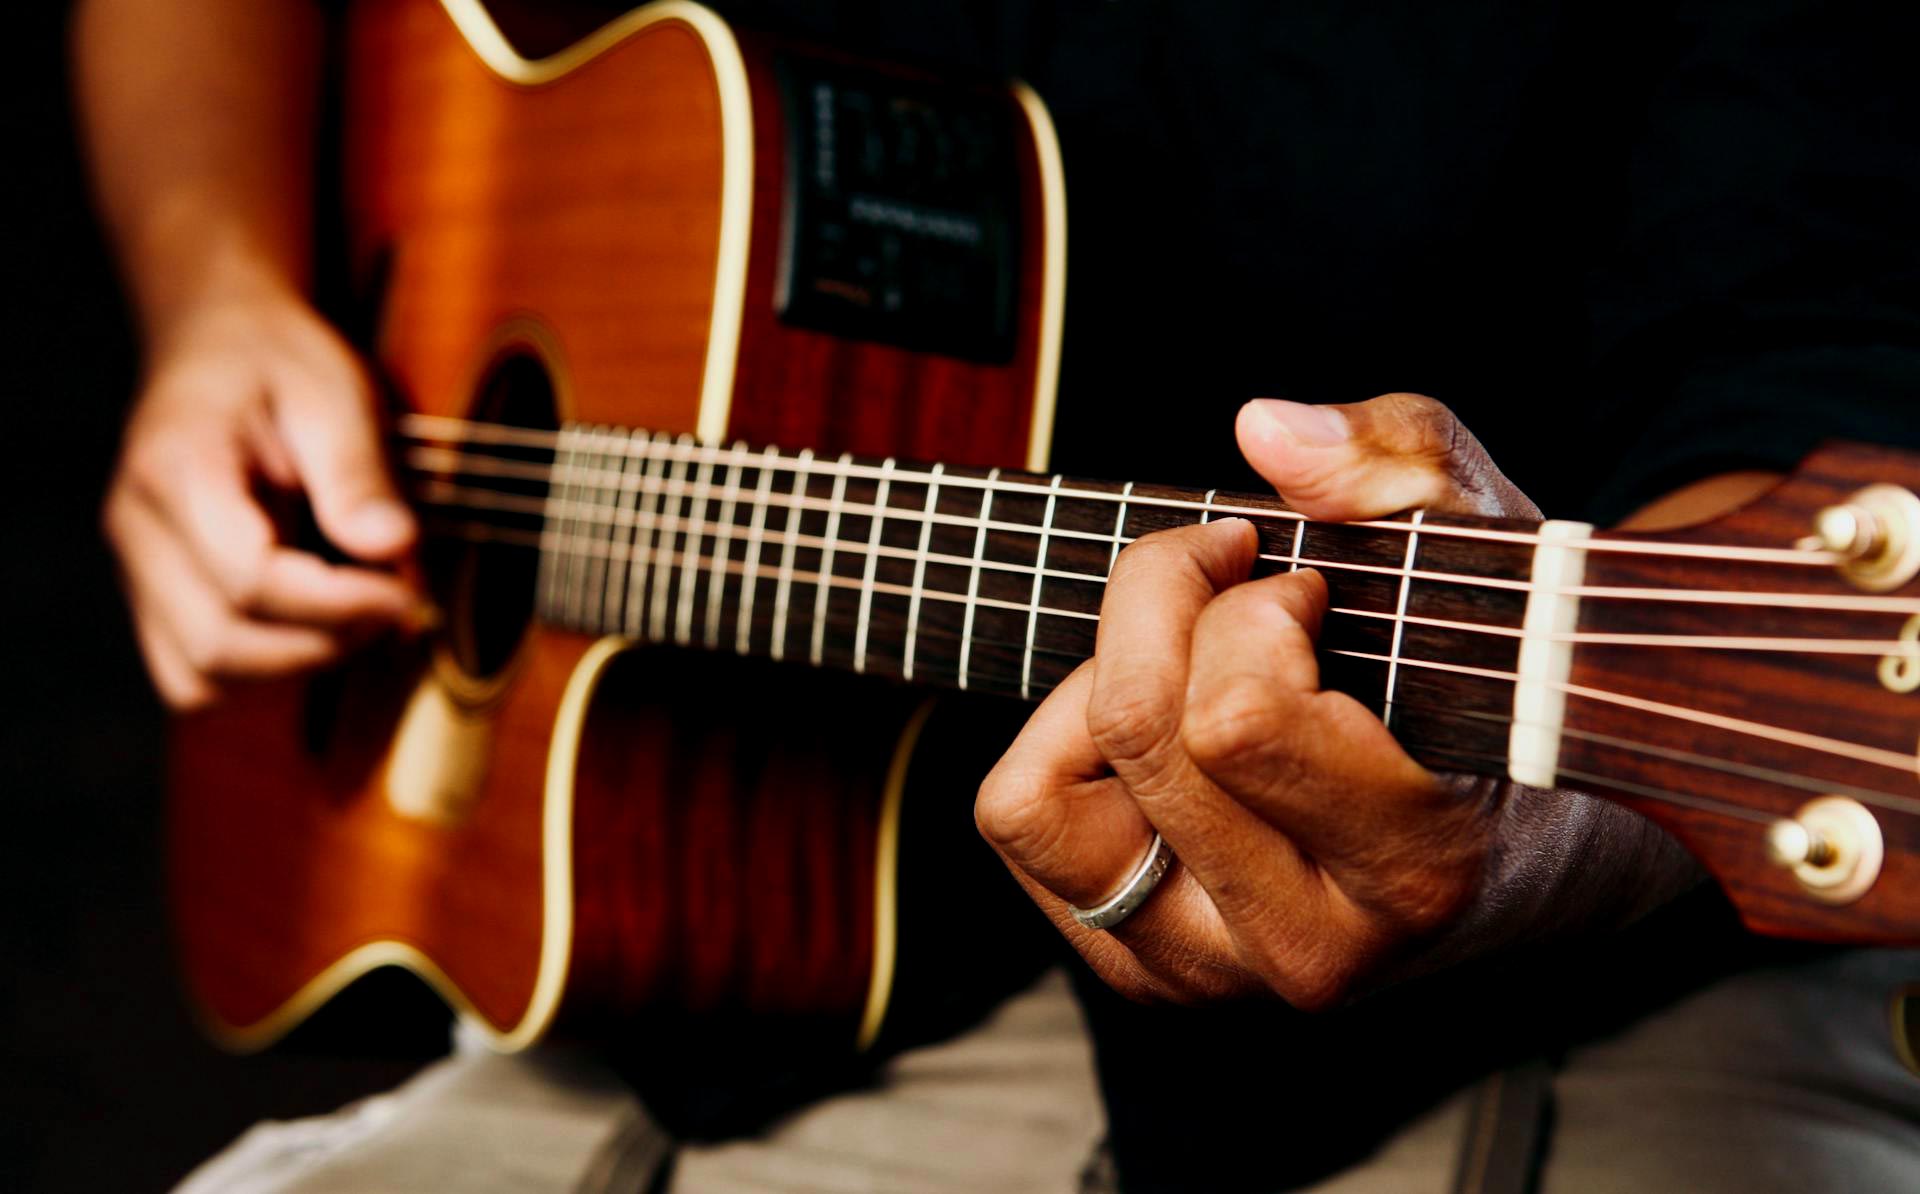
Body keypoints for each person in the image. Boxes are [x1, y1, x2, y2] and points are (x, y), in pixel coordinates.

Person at [77, 0, 1920, 1190]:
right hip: (670, 1003)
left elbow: (1818, 404)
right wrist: (216, 289)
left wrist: (1532, 832)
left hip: (1546, 1017)